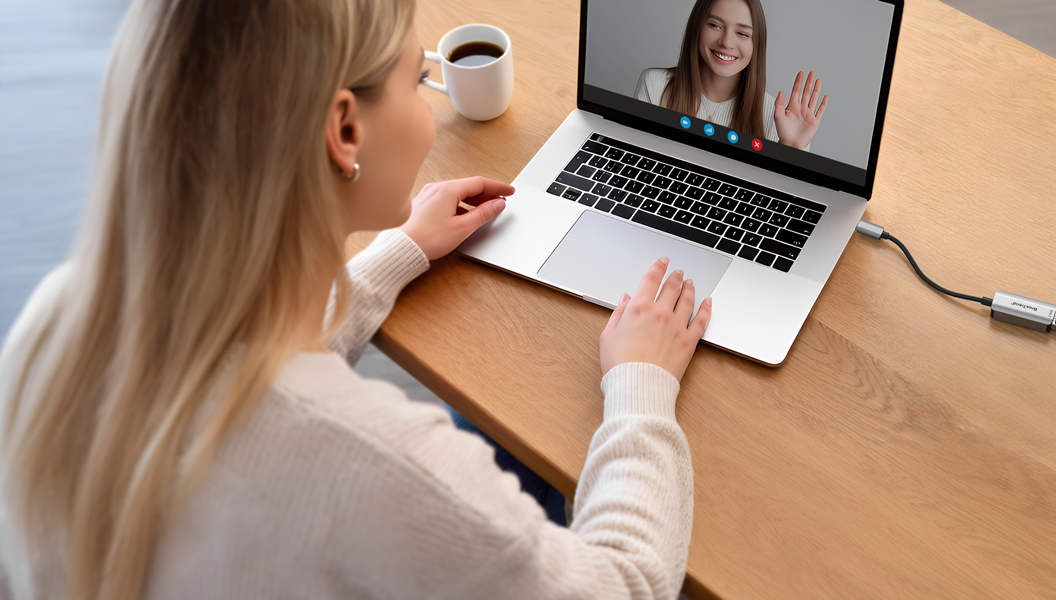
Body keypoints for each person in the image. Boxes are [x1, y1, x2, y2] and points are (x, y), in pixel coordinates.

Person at [0, 1, 709, 599]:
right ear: (345, 132)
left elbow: (245, 376)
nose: (428, 100)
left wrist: (397, 253)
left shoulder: (56, 323)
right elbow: (625, 584)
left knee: (505, 435)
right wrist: (640, 385)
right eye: (420, 80)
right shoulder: (379, 465)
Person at [634, 0, 828, 149]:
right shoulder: (656, 85)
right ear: (697, 26)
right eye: (714, 25)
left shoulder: (775, 117)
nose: (726, 42)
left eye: (742, 34)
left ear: (756, 45)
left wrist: (791, 147)